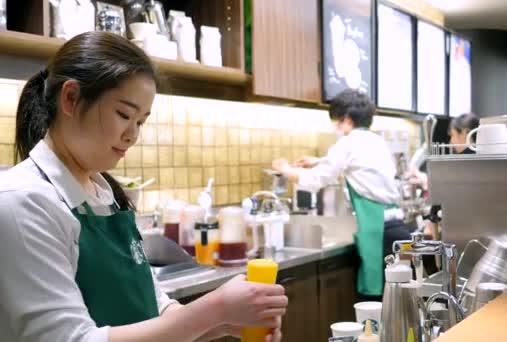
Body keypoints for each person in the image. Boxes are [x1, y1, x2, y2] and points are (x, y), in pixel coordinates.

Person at [0, 32, 287, 342]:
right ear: (70, 98)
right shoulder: (22, 202)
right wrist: (213, 310)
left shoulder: (107, 198)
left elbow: (157, 310)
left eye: (141, 121)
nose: (132, 135)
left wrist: (228, 322)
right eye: (124, 115)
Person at [272, 89, 410, 299]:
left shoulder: (347, 143)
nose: (337, 127)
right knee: (399, 305)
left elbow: (314, 180)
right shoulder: (376, 142)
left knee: (373, 306)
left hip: (378, 233)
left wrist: (284, 169)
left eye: (337, 121)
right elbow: (360, 165)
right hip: (398, 231)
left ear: (346, 119)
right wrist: (317, 161)